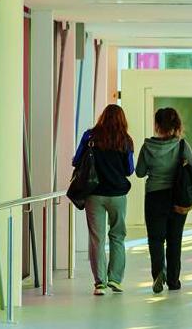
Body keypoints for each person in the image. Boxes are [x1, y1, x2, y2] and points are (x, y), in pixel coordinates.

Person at [72, 104, 135, 296]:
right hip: (117, 195)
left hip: (94, 194)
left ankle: (100, 283)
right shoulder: (126, 140)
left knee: (96, 239)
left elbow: (76, 161)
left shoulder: (89, 136)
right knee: (117, 236)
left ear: (102, 117)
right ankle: (115, 279)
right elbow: (129, 170)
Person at [136, 108, 192, 293]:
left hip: (154, 196)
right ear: (176, 125)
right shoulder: (182, 146)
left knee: (155, 239)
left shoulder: (147, 146)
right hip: (177, 197)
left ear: (157, 125)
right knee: (174, 240)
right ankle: (173, 281)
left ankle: (157, 275)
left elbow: (139, 172)